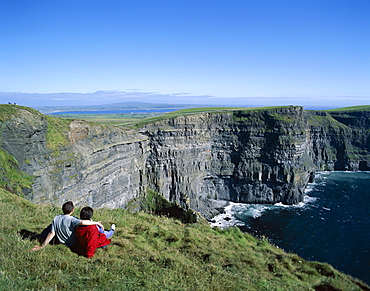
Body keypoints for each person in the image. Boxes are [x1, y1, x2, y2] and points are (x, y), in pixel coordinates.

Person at [30, 201, 104, 252]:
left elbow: (51, 233)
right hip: (72, 243)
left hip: (61, 242)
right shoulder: (72, 219)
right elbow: (82, 222)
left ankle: (40, 236)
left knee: (50, 227)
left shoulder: (56, 218)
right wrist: (97, 223)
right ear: (72, 210)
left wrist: (42, 246)